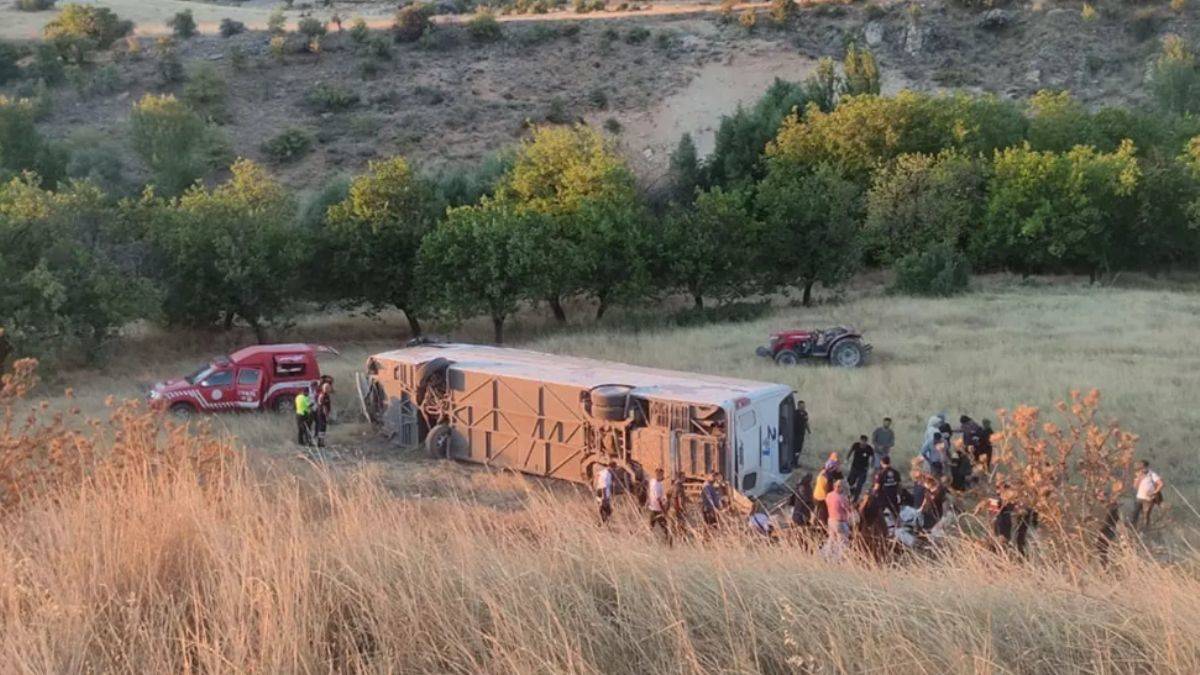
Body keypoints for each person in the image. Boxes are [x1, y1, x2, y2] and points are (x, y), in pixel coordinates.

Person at [1131, 460, 1164, 530]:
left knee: (1146, 515)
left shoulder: (1152, 474)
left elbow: (1160, 484)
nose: (1142, 469)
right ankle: (1133, 528)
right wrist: (1139, 478)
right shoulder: (1138, 474)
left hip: (1148, 498)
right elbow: (1135, 487)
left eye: (1143, 467)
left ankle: (1146, 529)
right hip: (1139, 497)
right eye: (1140, 467)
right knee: (1135, 513)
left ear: (1146, 467)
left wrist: (1155, 492)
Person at [812, 454, 843, 526]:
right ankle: (823, 525)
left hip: (816, 495)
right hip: (822, 497)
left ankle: (813, 521)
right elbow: (829, 490)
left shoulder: (822, 472)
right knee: (823, 513)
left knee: (816, 509)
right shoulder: (828, 477)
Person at [825, 480, 851, 551]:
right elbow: (849, 509)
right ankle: (839, 558)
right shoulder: (842, 498)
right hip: (840, 522)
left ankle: (826, 555)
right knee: (842, 542)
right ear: (841, 488)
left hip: (830, 520)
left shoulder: (829, 495)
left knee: (831, 540)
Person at [647, 468, 670, 544]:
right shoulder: (655, 485)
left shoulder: (654, 481)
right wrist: (663, 510)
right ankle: (667, 543)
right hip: (656, 509)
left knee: (651, 527)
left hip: (653, 508)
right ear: (658, 475)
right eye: (661, 475)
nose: (662, 476)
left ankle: (648, 541)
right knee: (665, 527)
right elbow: (658, 499)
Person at [847, 435, 874, 500]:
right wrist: (847, 458)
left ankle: (855, 498)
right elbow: (850, 451)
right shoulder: (856, 445)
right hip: (854, 467)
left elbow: (873, 457)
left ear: (866, 442)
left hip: (863, 470)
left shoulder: (869, 448)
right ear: (860, 441)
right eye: (862, 441)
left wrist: (871, 466)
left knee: (859, 485)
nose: (863, 443)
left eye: (864, 442)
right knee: (850, 481)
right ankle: (852, 489)